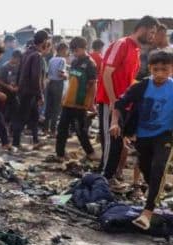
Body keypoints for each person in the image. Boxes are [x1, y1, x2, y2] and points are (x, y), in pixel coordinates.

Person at [109, 50, 173, 230]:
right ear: (150, 69)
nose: (160, 74)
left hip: (165, 135)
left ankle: (147, 212)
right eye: (156, 69)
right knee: (146, 169)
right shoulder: (142, 86)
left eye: (165, 70)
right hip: (142, 136)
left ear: (172, 69)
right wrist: (115, 123)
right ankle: (154, 193)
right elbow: (119, 105)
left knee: (158, 167)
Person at [96, 15, 159, 188]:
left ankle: (106, 178)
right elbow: (106, 73)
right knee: (111, 142)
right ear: (143, 28)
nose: (153, 37)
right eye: (152, 32)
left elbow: (128, 81)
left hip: (123, 104)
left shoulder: (136, 51)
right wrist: (113, 101)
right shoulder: (122, 44)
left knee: (116, 144)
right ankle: (103, 179)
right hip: (110, 101)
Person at [55, 37, 97, 160]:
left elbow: (93, 84)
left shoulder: (90, 64)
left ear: (83, 48)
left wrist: (91, 103)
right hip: (68, 101)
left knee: (81, 131)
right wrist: (65, 76)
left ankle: (90, 153)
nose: (74, 53)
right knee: (62, 129)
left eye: (76, 50)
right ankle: (60, 154)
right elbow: (72, 79)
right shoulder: (74, 61)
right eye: (72, 51)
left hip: (80, 102)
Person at [11, 30, 51, 149]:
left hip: (24, 90)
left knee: (34, 116)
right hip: (30, 92)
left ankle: (36, 140)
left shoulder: (27, 52)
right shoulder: (36, 56)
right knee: (22, 118)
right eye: (47, 40)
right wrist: (40, 95)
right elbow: (35, 78)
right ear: (44, 41)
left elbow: (19, 71)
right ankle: (15, 143)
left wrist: (18, 86)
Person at [45, 42, 69, 135]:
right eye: (66, 50)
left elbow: (48, 73)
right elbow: (60, 73)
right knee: (56, 108)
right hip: (58, 84)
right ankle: (53, 130)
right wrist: (66, 76)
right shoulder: (62, 60)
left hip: (50, 83)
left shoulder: (52, 59)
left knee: (49, 107)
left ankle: (45, 129)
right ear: (63, 50)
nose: (67, 52)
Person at [0, 49, 22, 126]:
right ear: (13, 58)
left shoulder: (18, 67)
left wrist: (17, 86)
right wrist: (8, 86)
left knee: (16, 109)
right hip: (4, 93)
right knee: (2, 111)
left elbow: (19, 78)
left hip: (13, 93)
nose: (18, 61)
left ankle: (11, 128)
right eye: (18, 59)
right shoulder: (5, 67)